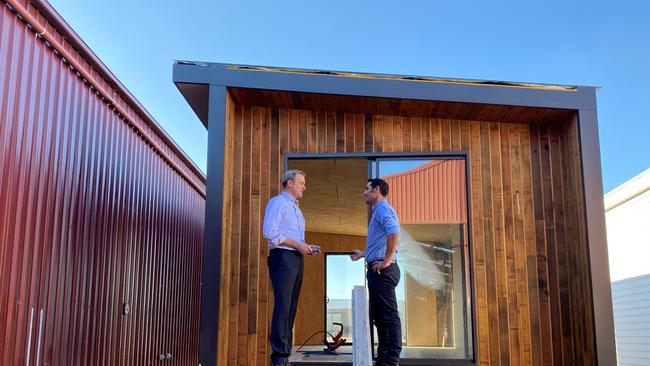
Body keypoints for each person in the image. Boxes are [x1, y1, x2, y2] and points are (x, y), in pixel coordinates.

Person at [263, 169, 321, 366]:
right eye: (301, 183)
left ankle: (285, 354)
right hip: (282, 258)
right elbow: (269, 232)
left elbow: (296, 239)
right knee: (283, 306)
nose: (304, 187)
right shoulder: (277, 203)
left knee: (291, 306)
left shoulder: (297, 209)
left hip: (296, 258)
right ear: (289, 183)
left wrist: (305, 246)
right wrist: (298, 245)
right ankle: (279, 357)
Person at [351, 178, 402, 366]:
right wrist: (365, 254)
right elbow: (383, 241)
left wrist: (386, 261)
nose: (364, 192)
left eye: (367, 189)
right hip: (377, 269)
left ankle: (391, 359)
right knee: (380, 318)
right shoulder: (378, 211)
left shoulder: (382, 209)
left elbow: (394, 233)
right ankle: (383, 358)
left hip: (383, 271)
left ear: (377, 190)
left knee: (388, 317)